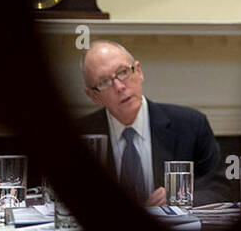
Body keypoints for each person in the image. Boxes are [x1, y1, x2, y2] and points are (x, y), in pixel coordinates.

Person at [76, 40, 226, 206]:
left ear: (139, 72)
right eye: (104, 82)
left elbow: (220, 188)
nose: (119, 86)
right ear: (93, 96)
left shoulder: (191, 125)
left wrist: (179, 198)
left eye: (123, 72)